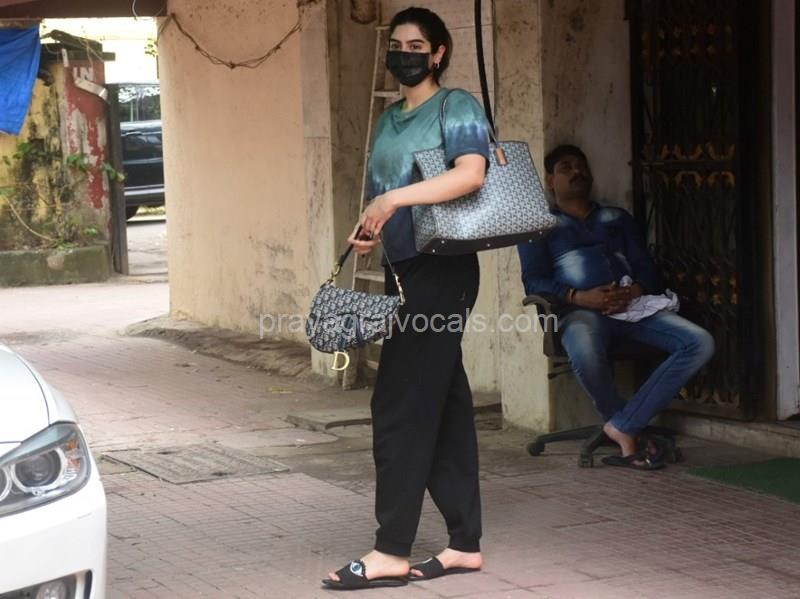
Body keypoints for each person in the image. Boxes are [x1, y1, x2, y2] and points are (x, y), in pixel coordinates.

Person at [322, 7, 490, 590]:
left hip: (443, 270)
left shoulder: (456, 105)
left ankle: (391, 550)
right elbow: (383, 192)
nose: (405, 54)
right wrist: (372, 228)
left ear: (439, 53)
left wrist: (394, 201)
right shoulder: (390, 119)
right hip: (403, 268)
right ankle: (464, 544)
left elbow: (471, 173)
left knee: (398, 405)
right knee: (444, 405)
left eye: (417, 46)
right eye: (397, 45)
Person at [517, 144, 715, 470]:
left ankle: (624, 425)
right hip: (577, 313)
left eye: (581, 166)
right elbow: (534, 282)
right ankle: (625, 427)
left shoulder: (616, 218)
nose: (577, 172)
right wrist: (579, 296)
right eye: (566, 168)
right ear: (550, 180)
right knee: (586, 348)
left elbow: (647, 267)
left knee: (699, 342)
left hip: (632, 309)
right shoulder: (539, 226)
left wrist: (635, 289)